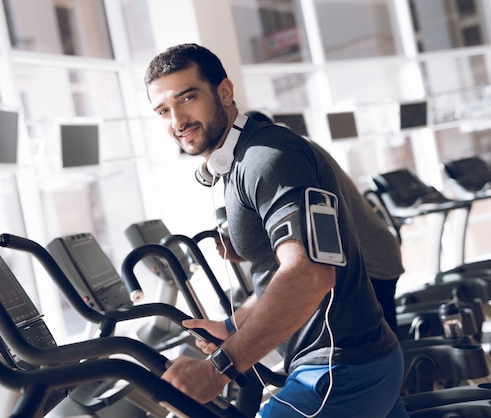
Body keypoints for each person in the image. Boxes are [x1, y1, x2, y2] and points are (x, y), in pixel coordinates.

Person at [144, 43, 408, 417]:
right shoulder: (241, 163)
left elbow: (310, 275)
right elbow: (280, 273)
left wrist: (218, 370)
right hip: (358, 361)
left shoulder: (267, 160)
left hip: (336, 371)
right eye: (163, 111)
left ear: (224, 92)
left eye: (187, 98)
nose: (177, 120)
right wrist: (233, 324)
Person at [243, 110, 404, 334]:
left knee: (376, 343)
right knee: (382, 341)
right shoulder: (301, 147)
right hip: (376, 251)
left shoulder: (290, 157)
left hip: (370, 262)